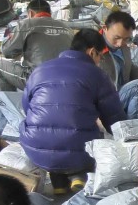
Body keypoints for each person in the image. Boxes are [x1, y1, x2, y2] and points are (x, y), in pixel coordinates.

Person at [21, 29, 126, 193]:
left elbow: (27, 107)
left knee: (33, 125)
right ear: (92, 52)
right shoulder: (97, 74)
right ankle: (80, 175)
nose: (100, 61)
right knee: (95, 137)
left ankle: (58, 179)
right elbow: (113, 118)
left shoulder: (41, 69)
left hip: (36, 151)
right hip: (80, 155)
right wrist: (126, 142)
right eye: (100, 56)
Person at [0, 0, 72, 92]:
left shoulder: (27, 24)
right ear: (49, 13)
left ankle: (10, 105)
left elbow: (6, 51)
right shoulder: (66, 27)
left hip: (40, 79)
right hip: (68, 78)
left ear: (30, 13)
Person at [98, 11, 138, 119]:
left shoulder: (123, 46)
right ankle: (132, 130)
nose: (120, 43)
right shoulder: (94, 50)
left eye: (126, 39)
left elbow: (126, 66)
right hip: (102, 103)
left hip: (118, 94)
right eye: (116, 38)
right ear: (105, 28)